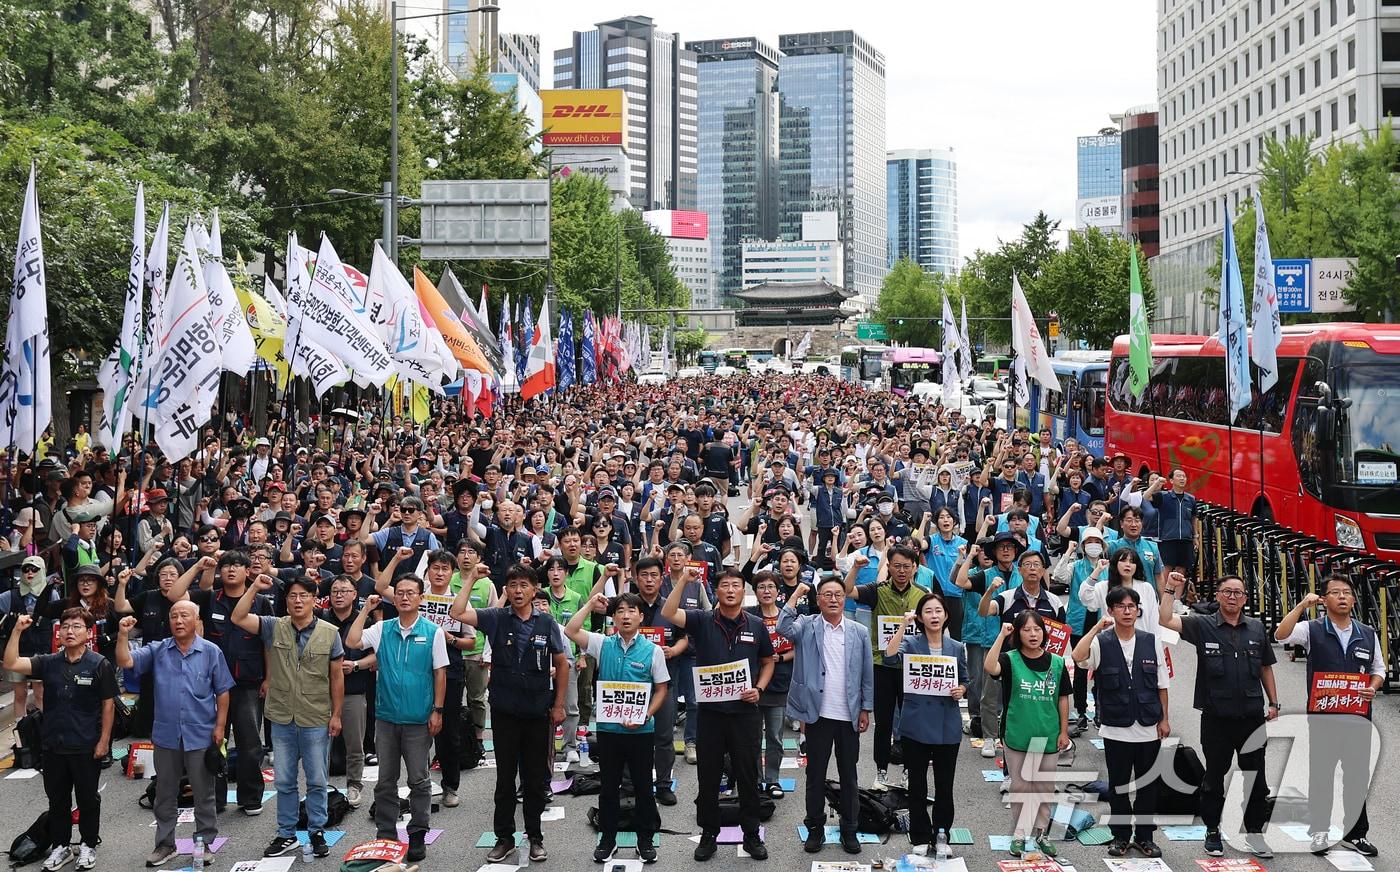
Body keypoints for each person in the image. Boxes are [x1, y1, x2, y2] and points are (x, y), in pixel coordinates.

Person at [452, 563, 567, 865]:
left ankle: (536, 837)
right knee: (505, 780)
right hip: (504, 713)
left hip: (537, 713)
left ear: (533, 589)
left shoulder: (547, 623)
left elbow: (563, 664)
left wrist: (558, 706)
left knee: (534, 780)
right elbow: (457, 613)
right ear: (506, 589)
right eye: (512, 585)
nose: (518, 591)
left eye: (524, 585)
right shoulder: (495, 618)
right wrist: (472, 579)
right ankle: (504, 838)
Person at [1158, 572, 1277, 859]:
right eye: (1227, 592)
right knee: (1214, 777)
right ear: (1219, 596)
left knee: (1256, 779)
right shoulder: (1203, 626)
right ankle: (1213, 831)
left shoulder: (1257, 629)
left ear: (1246, 598)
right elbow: (1165, 620)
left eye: (1238, 592)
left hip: (1251, 717)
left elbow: (1265, 668)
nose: (1233, 597)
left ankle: (1255, 833)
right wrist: (1172, 589)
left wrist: (1274, 703)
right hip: (1216, 718)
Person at [662, 567, 775, 862]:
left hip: (745, 714)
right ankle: (708, 834)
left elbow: (768, 661)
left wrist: (759, 689)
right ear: (718, 591)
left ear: (742, 591)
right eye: (724, 585)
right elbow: (669, 611)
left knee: (748, 775)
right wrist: (685, 581)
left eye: (735, 585)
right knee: (709, 776)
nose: (730, 590)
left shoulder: (756, 624)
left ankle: (751, 834)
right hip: (710, 715)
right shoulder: (702, 620)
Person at [230, 574, 345, 859]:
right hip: (281, 716)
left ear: (314, 600)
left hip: (316, 716)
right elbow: (238, 616)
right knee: (284, 780)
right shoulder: (274, 626)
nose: (297, 601)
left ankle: (317, 830)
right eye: (292, 595)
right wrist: (255, 586)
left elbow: (336, 678)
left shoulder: (330, 632)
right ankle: (286, 833)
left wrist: (337, 715)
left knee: (317, 779)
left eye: (304, 595)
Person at [115, 604, 233, 869]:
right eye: (174, 616)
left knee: (204, 793)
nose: (178, 621)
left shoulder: (211, 651)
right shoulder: (159, 650)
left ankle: (202, 844)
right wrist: (123, 635)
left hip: (201, 733)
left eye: (184, 616)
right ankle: (165, 844)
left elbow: (223, 690)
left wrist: (220, 727)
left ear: (197, 620)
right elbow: (125, 661)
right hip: (166, 734)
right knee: (165, 793)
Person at [1274, 574, 1382, 858]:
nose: (1343, 597)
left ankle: (1356, 834)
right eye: (1336, 592)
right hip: (1323, 718)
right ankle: (1320, 830)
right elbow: (1280, 634)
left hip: (1358, 717)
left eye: (1347, 592)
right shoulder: (1312, 629)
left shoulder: (1367, 633)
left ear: (1354, 599)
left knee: (1357, 776)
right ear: (1324, 600)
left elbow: (1378, 669)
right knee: (1321, 775)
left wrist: (1372, 688)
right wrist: (1301, 606)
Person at [3, 608, 116, 872]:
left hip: (86, 745)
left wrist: (103, 742)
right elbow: (10, 663)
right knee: (58, 801)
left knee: (88, 799)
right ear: (59, 632)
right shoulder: (48, 662)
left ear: (88, 633)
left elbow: (108, 706)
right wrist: (17, 630)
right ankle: (60, 846)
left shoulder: (99, 664)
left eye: (77, 626)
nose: (70, 631)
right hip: (53, 745)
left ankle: (88, 844)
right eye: (65, 626)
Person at [345, 575, 447, 863]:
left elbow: (440, 673)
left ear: (420, 598)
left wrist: (437, 710)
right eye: (399, 593)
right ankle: (386, 835)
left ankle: (417, 834)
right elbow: (352, 641)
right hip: (387, 718)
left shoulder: (433, 631)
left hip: (418, 719)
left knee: (419, 779)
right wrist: (366, 609)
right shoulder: (382, 629)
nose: (404, 598)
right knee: (386, 781)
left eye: (410, 593)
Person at [563, 592, 669, 864]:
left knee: (644, 787)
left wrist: (646, 714)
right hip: (610, 732)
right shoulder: (602, 644)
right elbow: (571, 630)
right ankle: (607, 838)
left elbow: (661, 689)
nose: (625, 615)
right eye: (620, 611)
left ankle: (645, 839)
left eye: (631, 610)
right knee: (609, 787)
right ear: (613, 617)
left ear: (641, 617)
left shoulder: (653, 650)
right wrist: (590, 604)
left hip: (641, 732)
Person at [1071, 586, 1169, 859]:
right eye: (1121, 607)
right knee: (1119, 786)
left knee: (1148, 786)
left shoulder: (1151, 641)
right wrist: (1094, 630)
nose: (1127, 611)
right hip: (1116, 726)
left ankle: (1146, 837)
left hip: (1148, 725)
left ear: (1138, 611)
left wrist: (1165, 719)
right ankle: (1121, 836)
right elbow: (1078, 658)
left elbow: (1162, 684)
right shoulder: (1102, 641)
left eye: (1132, 606)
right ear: (1111, 610)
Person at [778, 577, 873, 856]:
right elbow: (783, 627)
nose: (833, 599)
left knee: (849, 775)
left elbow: (867, 674)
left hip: (849, 715)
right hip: (816, 714)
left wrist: (865, 708)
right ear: (818, 599)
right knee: (815, 775)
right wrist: (796, 594)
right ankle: (815, 828)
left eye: (838, 595)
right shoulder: (807, 625)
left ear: (845, 599)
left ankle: (849, 828)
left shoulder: (858, 631)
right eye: (827, 595)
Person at [983, 611, 1071, 858]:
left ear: (1044, 632)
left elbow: (1063, 698)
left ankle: (1041, 832)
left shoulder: (1057, 662)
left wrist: (1064, 731)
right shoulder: (1010, 660)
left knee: (1044, 787)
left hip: (1048, 733)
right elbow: (990, 666)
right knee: (1021, 787)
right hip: (1017, 733)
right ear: (1018, 634)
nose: (1033, 634)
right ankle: (1020, 834)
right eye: (1026, 630)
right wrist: (1001, 635)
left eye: (1037, 629)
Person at [883, 592, 967, 853]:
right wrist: (903, 626)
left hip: (946, 725)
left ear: (946, 615)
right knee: (917, 785)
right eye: (928, 611)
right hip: (916, 724)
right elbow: (889, 656)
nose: (934, 616)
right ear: (920, 617)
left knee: (945, 785)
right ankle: (919, 836)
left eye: (938, 611)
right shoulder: (910, 642)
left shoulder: (956, 647)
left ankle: (942, 835)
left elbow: (965, 679)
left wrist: (961, 690)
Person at [843, 544, 925, 786]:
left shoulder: (922, 594)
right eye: (897, 566)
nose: (901, 571)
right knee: (884, 722)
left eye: (906, 567)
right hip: (882, 666)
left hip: (912, 667)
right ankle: (881, 772)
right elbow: (847, 591)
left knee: (911, 722)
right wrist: (856, 569)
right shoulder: (876, 591)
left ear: (915, 568)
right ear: (888, 567)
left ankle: (910, 771)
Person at [323, 575, 378, 809]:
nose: (339, 595)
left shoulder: (364, 621)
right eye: (335, 591)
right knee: (320, 742)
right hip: (323, 691)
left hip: (355, 689)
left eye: (344, 591)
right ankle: (321, 785)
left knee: (355, 743)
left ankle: (354, 785)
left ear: (355, 594)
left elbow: (378, 655)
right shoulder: (320, 619)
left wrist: (356, 665)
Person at [747, 571, 794, 799]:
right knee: (753, 737)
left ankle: (773, 779)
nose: (766, 591)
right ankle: (755, 780)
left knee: (775, 736)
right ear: (755, 592)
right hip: (753, 685)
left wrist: (781, 658)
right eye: (761, 587)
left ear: (778, 591)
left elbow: (797, 647)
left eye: (770, 587)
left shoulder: (787, 617)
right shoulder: (748, 617)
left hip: (780, 684)